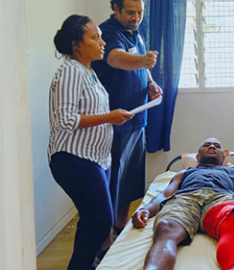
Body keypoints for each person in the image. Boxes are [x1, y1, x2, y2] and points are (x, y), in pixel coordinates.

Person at [48, 15, 133, 270]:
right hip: (74, 157)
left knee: (91, 223)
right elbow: (64, 120)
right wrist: (110, 117)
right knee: (99, 221)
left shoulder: (89, 72)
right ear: (77, 44)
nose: (102, 42)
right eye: (94, 37)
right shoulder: (70, 71)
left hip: (94, 159)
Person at [131, 138, 234, 270]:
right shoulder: (184, 172)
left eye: (217, 146)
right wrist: (146, 210)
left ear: (223, 157)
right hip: (185, 199)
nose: (212, 146)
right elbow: (164, 195)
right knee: (166, 228)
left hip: (220, 198)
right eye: (207, 145)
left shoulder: (233, 171)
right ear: (198, 156)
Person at [91, 0, 163, 245]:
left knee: (130, 182)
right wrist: (143, 62)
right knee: (112, 184)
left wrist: (150, 82)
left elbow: (141, 63)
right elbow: (115, 58)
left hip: (138, 118)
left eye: (140, 12)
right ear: (115, 8)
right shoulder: (109, 31)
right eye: (131, 12)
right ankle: (104, 242)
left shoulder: (135, 30)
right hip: (116, 123)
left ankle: (120, 227)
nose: (136, 17)